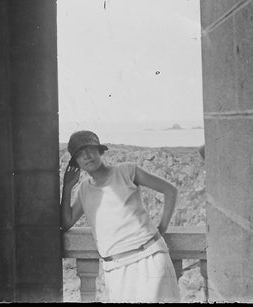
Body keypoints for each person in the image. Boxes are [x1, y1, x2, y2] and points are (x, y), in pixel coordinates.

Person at [61, 130, 180, 303]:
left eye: (89, 149)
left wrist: (162, 227)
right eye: (79, 154)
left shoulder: (127, 171)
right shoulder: (84, 190)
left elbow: (170, 190)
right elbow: (66, 223)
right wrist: (67, 187)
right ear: (76, 163)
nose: (86, 156)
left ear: (100, 150)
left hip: (150, 258)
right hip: (116, 269)